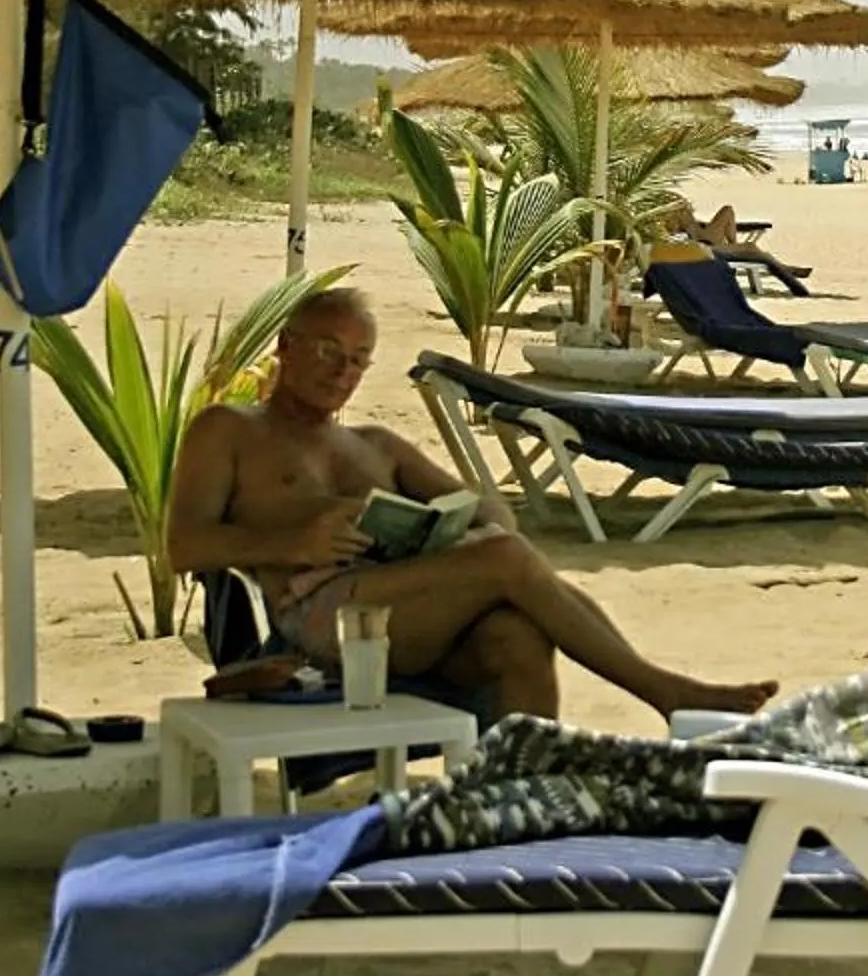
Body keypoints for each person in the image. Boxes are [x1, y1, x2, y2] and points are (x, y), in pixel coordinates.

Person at [166, 287, 774, 724]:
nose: (342, 372)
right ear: (287, 346)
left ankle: (519, 800)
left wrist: (439, 535)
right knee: (506, 559)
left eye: (357, 360)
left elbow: (491, 512)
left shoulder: (375, 445)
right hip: (317, 624)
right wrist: (292, 545)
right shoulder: (230, 429)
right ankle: (663, 690)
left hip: (405, 612)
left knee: (516, 637)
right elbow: (184, 545)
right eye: (328, 351)